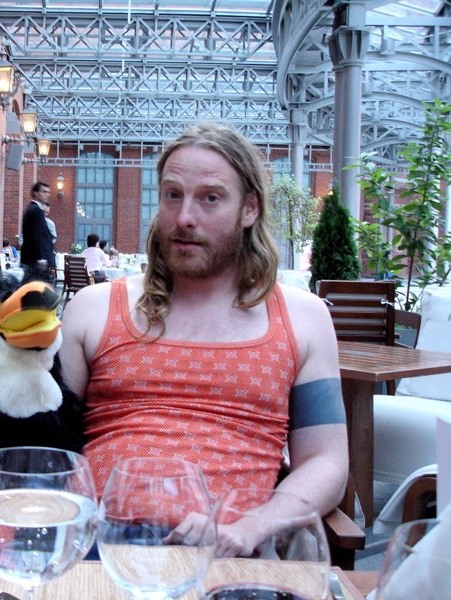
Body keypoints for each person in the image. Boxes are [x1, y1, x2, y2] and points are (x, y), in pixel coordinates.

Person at [60, 123, 347, 551]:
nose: (184, 217)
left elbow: (327, 460)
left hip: (229, 555)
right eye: (172, 195)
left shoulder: (302, 318)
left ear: (249, 209)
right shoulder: (95, 308)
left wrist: (253, 526)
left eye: (210, 198)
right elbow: (43, 443)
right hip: (96, 552)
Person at [20, 181, 56, 275]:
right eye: (44, 192)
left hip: (31, 260)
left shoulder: (32, 209)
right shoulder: (36, 211)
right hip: (35, 261)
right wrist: (42, 258)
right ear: (35, 193)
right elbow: (37, 237)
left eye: (48, 192)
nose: (47, 195)